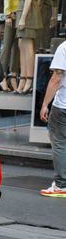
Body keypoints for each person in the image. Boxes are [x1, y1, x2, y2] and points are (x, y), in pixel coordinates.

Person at [39, 41, 66, 197]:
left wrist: (45, 104)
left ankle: (61, 184)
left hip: (63, 105)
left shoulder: (63, 48)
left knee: (60, 144)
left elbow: (56, 77)